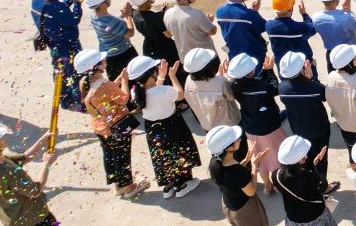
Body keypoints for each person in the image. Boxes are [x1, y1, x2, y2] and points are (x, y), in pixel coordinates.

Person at [206, 124, 286, 226]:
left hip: (229, 207)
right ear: (228, 148)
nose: (239, 140)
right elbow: (250, 191)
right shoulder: (237, 172)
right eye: (235, 140)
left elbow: (234, 178)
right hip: (246, 210)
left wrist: (246, 161)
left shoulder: (216, 164)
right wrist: (254, 167)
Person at [75, 49, 149, 200]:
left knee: (110, 155)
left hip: (100, 126)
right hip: (117, 125)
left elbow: (104, 94)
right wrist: (125, 80)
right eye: (102, 60)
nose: (105, 61)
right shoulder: (105, 85)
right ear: (96, 66)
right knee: (122, 155)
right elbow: (123, 99)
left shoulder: (84, 82)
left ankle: (118, 186)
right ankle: (129, 187)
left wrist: (118, 79)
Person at [128, 55, 200, 199]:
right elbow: (180, 95)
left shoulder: (136, 92)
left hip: (152, 128)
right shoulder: (164, 90)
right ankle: (182, 185)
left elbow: (154, 91)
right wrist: (172, 76)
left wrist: (160, 77)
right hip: (172, 124)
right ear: (150, 73)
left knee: (162, 155)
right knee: (178, 151)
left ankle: (169, 186)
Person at [226, 53, 285, 194]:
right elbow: (274, 87)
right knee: (279, 154)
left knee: (260, 157)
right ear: (250, 72)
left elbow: (253, 83)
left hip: (250, 127)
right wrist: (270, 71)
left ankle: (267, 185)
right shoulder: (262, 87)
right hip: (269, 127)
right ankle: (282, 183)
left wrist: (264, 71)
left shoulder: (234, 85)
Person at [277, 51, 337, 190]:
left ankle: (309, 184)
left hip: (299, 129)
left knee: (305, 158)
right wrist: (311, 78)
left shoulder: (282, 88)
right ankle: (322, 186)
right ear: (302, 69)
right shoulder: (313, 87)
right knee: (320, 159)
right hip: (319, 130)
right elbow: (325, 94)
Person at [30, 0, 85, 112]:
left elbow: (58, 11)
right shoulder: (53, 5)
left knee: (60, 72)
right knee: (76, 73)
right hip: (67, 45)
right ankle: (80, 102)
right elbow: (73, 19)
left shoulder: (37, 0)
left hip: (54, 44)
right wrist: (77, 3)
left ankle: (65, 101)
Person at [323, 44, 356, 149]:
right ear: (348, 63)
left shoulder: (331, 77)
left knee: (352, 150)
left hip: (344, 126)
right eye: (354, 56)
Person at [127, 0, 180, 87]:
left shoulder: (135, 14)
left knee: (158, 73)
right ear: (148, 0)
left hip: (149, 47)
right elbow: (168, 35)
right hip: (165, 49)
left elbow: (148, 19)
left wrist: (161, 13)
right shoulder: (157, 17)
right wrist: (165, 15)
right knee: (173, 72)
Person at [216, 0, 269, 75]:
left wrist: (251, 12)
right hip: (252, 57)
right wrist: (254, 12)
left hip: (234, 56)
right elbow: (263, 26)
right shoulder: (248, 15)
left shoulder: (219, 12)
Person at [87, 0, 138, 80]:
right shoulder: (112, 22)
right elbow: (130, 33)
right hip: (123, 54)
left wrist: (122, 16)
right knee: (132, 80)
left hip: (109, 57)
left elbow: (109, 27)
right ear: (103, 3)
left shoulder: (93, 16)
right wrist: (128, 16)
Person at [183, 48, 241, 132]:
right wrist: (227, 78)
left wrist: (219, 77)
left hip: (208, 127)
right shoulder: (220, 82)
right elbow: (231, 96)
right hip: (228, 125)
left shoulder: (188, 80)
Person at [164, 0, 218, 67]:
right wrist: (210, 21)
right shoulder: (197, 14)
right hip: (207, 59)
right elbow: (213, 31)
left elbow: (170, 34)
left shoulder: (167, 14)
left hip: (188, 62)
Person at [313, 0, 356, 76]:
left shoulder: (316, 17)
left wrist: (342, 11)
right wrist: (348, 11)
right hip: (350, 55)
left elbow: (333, 18)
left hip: (331, 55)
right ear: (335, 1)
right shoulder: (346, 18)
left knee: (334, 80)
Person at [264, 0, 317, 65]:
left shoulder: (269, 26)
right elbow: (313, 28)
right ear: (290, 9)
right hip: (303, 66)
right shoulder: (300, 27)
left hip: (283, 66)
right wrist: (304, 14)